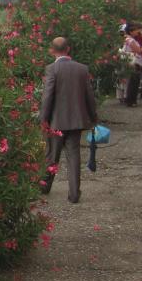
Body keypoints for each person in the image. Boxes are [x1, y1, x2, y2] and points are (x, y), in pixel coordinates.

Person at [40, 36, 99, 203]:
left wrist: (43, 119)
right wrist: (93, 117)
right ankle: (74, 194)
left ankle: (45, 186)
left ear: (52, 50)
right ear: (68, 49)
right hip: (76, 121)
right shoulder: (82, 69)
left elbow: (47, 96)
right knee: (74, 156)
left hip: (56, 121)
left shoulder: (52, 69)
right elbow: (89, 96)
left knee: (52, 156)